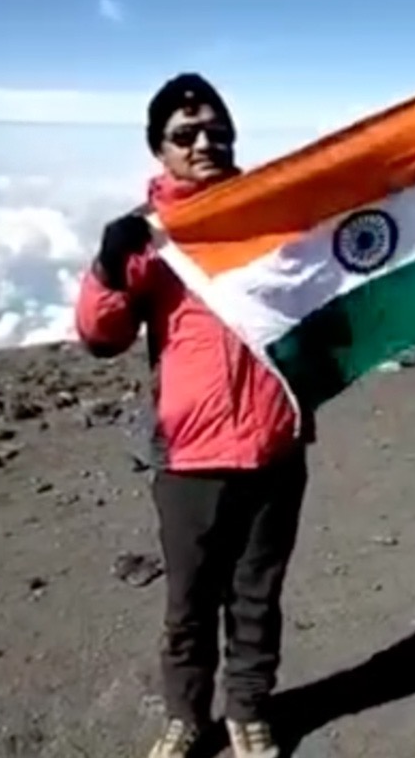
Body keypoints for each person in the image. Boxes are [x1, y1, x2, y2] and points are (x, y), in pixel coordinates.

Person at [73, 73, 308, 758]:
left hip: (273, 445)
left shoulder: (271, 219)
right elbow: (100, 337)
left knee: (257, 596)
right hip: (191, 457)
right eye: (186, 134)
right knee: (189, 606)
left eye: (218, 131)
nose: (205, 141)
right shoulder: (150, 240)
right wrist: (110, 269)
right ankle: (185, 716)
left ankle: (248, 711)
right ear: (159, 149)